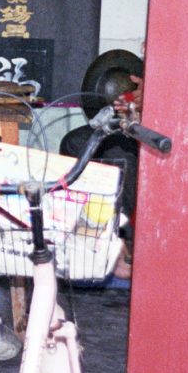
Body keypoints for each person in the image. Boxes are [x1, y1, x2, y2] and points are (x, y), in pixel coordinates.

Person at [61, 73, 142, 280]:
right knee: (74, 142)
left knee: (119, 154)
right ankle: (83, 227)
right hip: (133, 129)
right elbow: (127, 111)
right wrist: (129, 106)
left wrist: (149, 105)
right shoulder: (147, 75)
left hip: (160, 138)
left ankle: (115, 237)